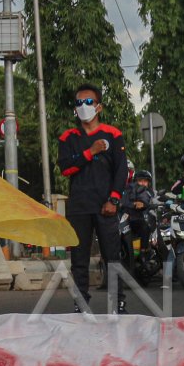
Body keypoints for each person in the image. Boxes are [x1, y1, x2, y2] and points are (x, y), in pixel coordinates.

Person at [57, 83, 128, 314]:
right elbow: (66, 168)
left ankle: (117, 304)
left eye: (88, 102)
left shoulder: (113, 134)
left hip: (105, 205)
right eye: (79, 103)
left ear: (99, 106)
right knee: (79, 259)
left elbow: (121, 171)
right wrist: (90, 152)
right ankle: (81, 305)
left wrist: (114, 199)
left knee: (112, 257)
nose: (83, 107)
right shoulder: (68, 137)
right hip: (79, 206)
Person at [123, 169, 155, 246]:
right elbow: (124, 202)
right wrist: (134, 204)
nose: (143, 183)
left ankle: (146, 250)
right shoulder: (129, 193)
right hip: (132, 220)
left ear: (149, 183)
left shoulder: (152, 193)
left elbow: (157, 201)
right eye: (140, 181)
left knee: (147, 226)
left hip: (150, 221)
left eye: (145, 181)